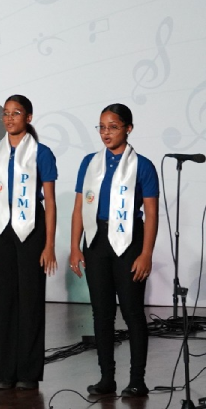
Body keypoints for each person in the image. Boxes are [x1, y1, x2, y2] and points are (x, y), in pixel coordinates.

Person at [71, 103, 158, 397]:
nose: (106, 133)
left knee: (132, 312)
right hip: (96, 239)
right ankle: (106, 378)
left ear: (128, 129)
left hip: (129, 240)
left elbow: (151, 213)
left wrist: (146, 253)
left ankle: (137, 380)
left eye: (113, 127)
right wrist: (75, 247)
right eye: (102, 127)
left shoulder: (143, 165)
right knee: (101, 313)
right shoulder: (89, 162)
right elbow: (79, 208)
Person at [0, 94, 58, 391]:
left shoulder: (41, 153)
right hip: (1, 228)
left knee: (31, 300)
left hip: (32, 228)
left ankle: (28, 372)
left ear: (29, 117)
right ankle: (5, 371)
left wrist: (49, 245)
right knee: (6, 299)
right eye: (6, 113)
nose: (9, 118)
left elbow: (50, 202)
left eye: (16, 113)